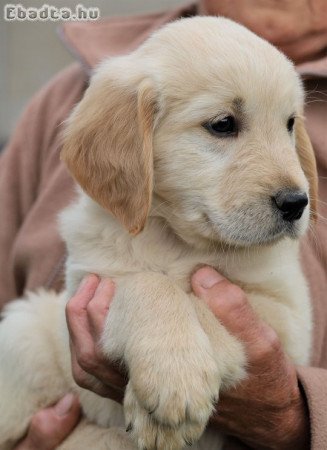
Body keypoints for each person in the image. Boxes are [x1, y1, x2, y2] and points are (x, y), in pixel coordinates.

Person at [1, 1, 327, 449]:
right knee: (21, 332)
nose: (293, 189)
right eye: (223, 124)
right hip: (69, 421)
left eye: (290, 123)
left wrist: (297, 415)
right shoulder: (89, 92)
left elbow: (280, 337)